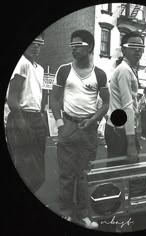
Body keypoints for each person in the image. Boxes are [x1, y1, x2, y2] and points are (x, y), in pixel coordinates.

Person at [50, 30, 109, 229]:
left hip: (88, 130)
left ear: (90, 47)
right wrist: (59, 124)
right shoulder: (64, 70)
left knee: (85, 175)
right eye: (71, 44)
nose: (73, 47)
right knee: (66, 175)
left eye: (78, 44)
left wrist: (92, 121)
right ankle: (65, 213)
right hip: (68, 126)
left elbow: (105, 104)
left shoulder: (100, 74)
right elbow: (55, 99)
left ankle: (83, 214)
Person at [104, 31, 146, 232]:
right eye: (133, 47)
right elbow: (128, 107)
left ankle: (114, 220)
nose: (138, 51)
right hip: (120, 133)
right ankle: (133, 222)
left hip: (117, 130)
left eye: (141, 47)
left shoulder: (127, 70)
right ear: (123, 48)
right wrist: (132, 144)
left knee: (119, 177)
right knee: (131, 178)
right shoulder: (124, 71)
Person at [6, 33, 47, 194]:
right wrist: (22, 124)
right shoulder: (21, 63)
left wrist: (42, 117)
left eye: (40, 43)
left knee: (38, 172)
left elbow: (38, 97)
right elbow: (12, 100)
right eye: (33, 42)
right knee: (24, 170)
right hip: (21, 117)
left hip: (36, 118)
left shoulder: (40, 69)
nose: (36, 46)